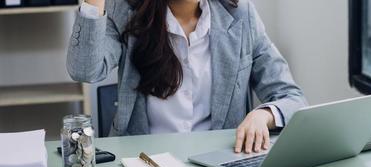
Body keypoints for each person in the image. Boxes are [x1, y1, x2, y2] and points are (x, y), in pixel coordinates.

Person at [67, 0, 307, 154]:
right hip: (143, 164)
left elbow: (292, 97)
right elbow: (85, 70)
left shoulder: (241, 15)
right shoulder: (126, 11)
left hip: (219, 165)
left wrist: (264, 114)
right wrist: (93, 3)